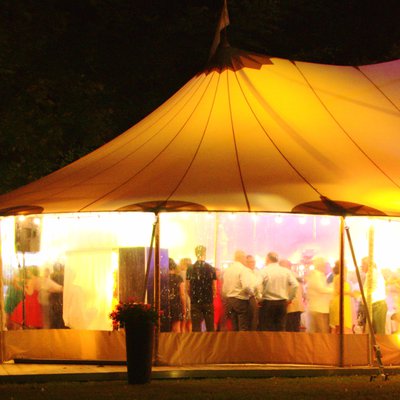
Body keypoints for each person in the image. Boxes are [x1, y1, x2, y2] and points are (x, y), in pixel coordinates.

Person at [258, 252, 298, 331]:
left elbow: (256, 285)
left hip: (268, 303)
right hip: (282, 303)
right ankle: (280, 342)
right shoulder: (285, 271)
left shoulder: (264, 271)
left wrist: (258, 298)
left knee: (267, 328)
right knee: (280, 328)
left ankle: (268, 343)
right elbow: (295, 285)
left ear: (267, 259)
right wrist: (290, 298)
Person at [222, 250, 256, 331]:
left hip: (230, 300)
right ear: (242, 258)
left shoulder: (228, 270)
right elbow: (246, 287)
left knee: (234, 326)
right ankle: (242, 343)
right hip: (241, 300)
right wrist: (252, 294)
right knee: (243, 326)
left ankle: (234, 342)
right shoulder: (243, 269)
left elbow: (224, 288)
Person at [186, 245, 217, 332]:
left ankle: (197, 344)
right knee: (210, 326)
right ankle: (211, 343)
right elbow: (214, 287)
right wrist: (212, 296)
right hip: (208, 300)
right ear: (205, 253)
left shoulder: (190, 268)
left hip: (195, 301)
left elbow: (187, 287)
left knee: (196, 327)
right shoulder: (211, 268)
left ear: (196, 254)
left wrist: (192, 296)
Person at [305, 257, 333, 333]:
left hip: (320, 308)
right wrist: (335, 290)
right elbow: (321, 289)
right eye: (324, 265)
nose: (325, 267)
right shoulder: (316, 275)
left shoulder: (320, 275)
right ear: (320, 266)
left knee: (319, 332)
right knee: (321, 332)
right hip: (318, 309)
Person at [361, 256, 388, 334]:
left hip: (377, 305)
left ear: (368, 264)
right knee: (375, 332)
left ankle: (380, 346)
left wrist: (363, 297)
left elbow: (374, 289)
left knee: (378, 333)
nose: (361, 267)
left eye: (363, 264)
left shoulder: (373, 273)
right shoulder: (371, 274)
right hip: (375, 305)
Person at [279, 259, 305, 332]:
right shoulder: (296, 275)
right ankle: (295, 342)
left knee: (289, 328)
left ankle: (289, 342)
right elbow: (302, 291)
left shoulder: (286, 275)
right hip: (298, 305)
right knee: (295, 328)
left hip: (290, 306)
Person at [329, 261, 353, 334]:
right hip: (340, 303)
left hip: (343, 302)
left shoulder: (339, 277)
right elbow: (339, 290)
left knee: (340, 325)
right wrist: (351, 293)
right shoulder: (339, 277)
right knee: (341, 325)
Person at [168, 258, 186, 332]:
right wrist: (184, 308)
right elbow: (182, 294)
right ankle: (176, 343)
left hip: (165, 305)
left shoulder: (162, 278)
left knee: (165, 328)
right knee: (176, 327)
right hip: (176, 305)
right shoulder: (178, 278)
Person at [246, 254, 260, 331]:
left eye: (254, 262)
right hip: (248, 298)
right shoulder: (245, 272)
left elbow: (259, 286)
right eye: (251, 262)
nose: (253, 263)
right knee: (250, 321)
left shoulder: (256, 272)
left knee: (254, 321)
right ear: (246, 263)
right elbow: (247, 287)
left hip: (254, 299)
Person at [178, 257, 192, 333]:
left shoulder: (181, 274)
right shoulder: (192, 273)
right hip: (190, 299)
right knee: (190, 322)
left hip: (183, 299)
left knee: (183, 323)